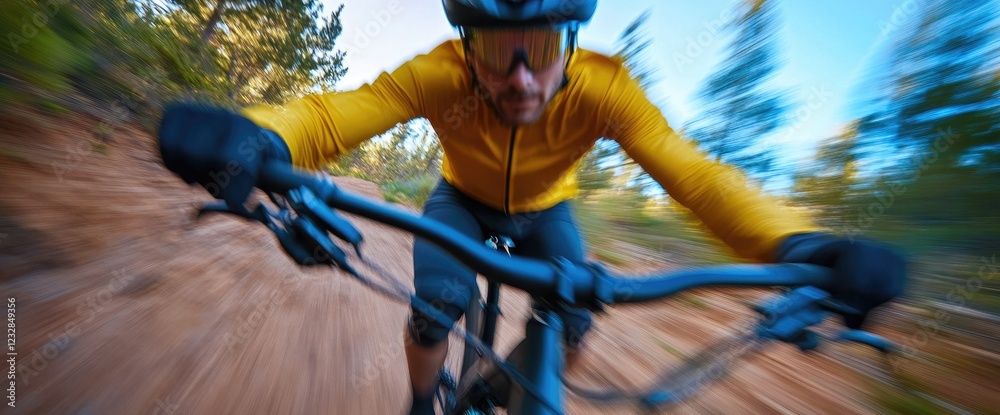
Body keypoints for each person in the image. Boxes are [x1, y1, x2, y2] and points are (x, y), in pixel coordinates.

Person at [157, 1, 907, 413]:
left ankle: (523, 382)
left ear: (571, 42)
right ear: (467, 48)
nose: (519, 77)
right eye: (495, 50)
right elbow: (336, 113)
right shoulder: (439, 75)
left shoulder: (606, 88)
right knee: (435, 308)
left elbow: (695, 176)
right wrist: (259, 135)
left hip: (547, 211)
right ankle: (419, 402)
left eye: (540, 48)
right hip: (460, 202)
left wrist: (798, 244)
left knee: (576, 317)